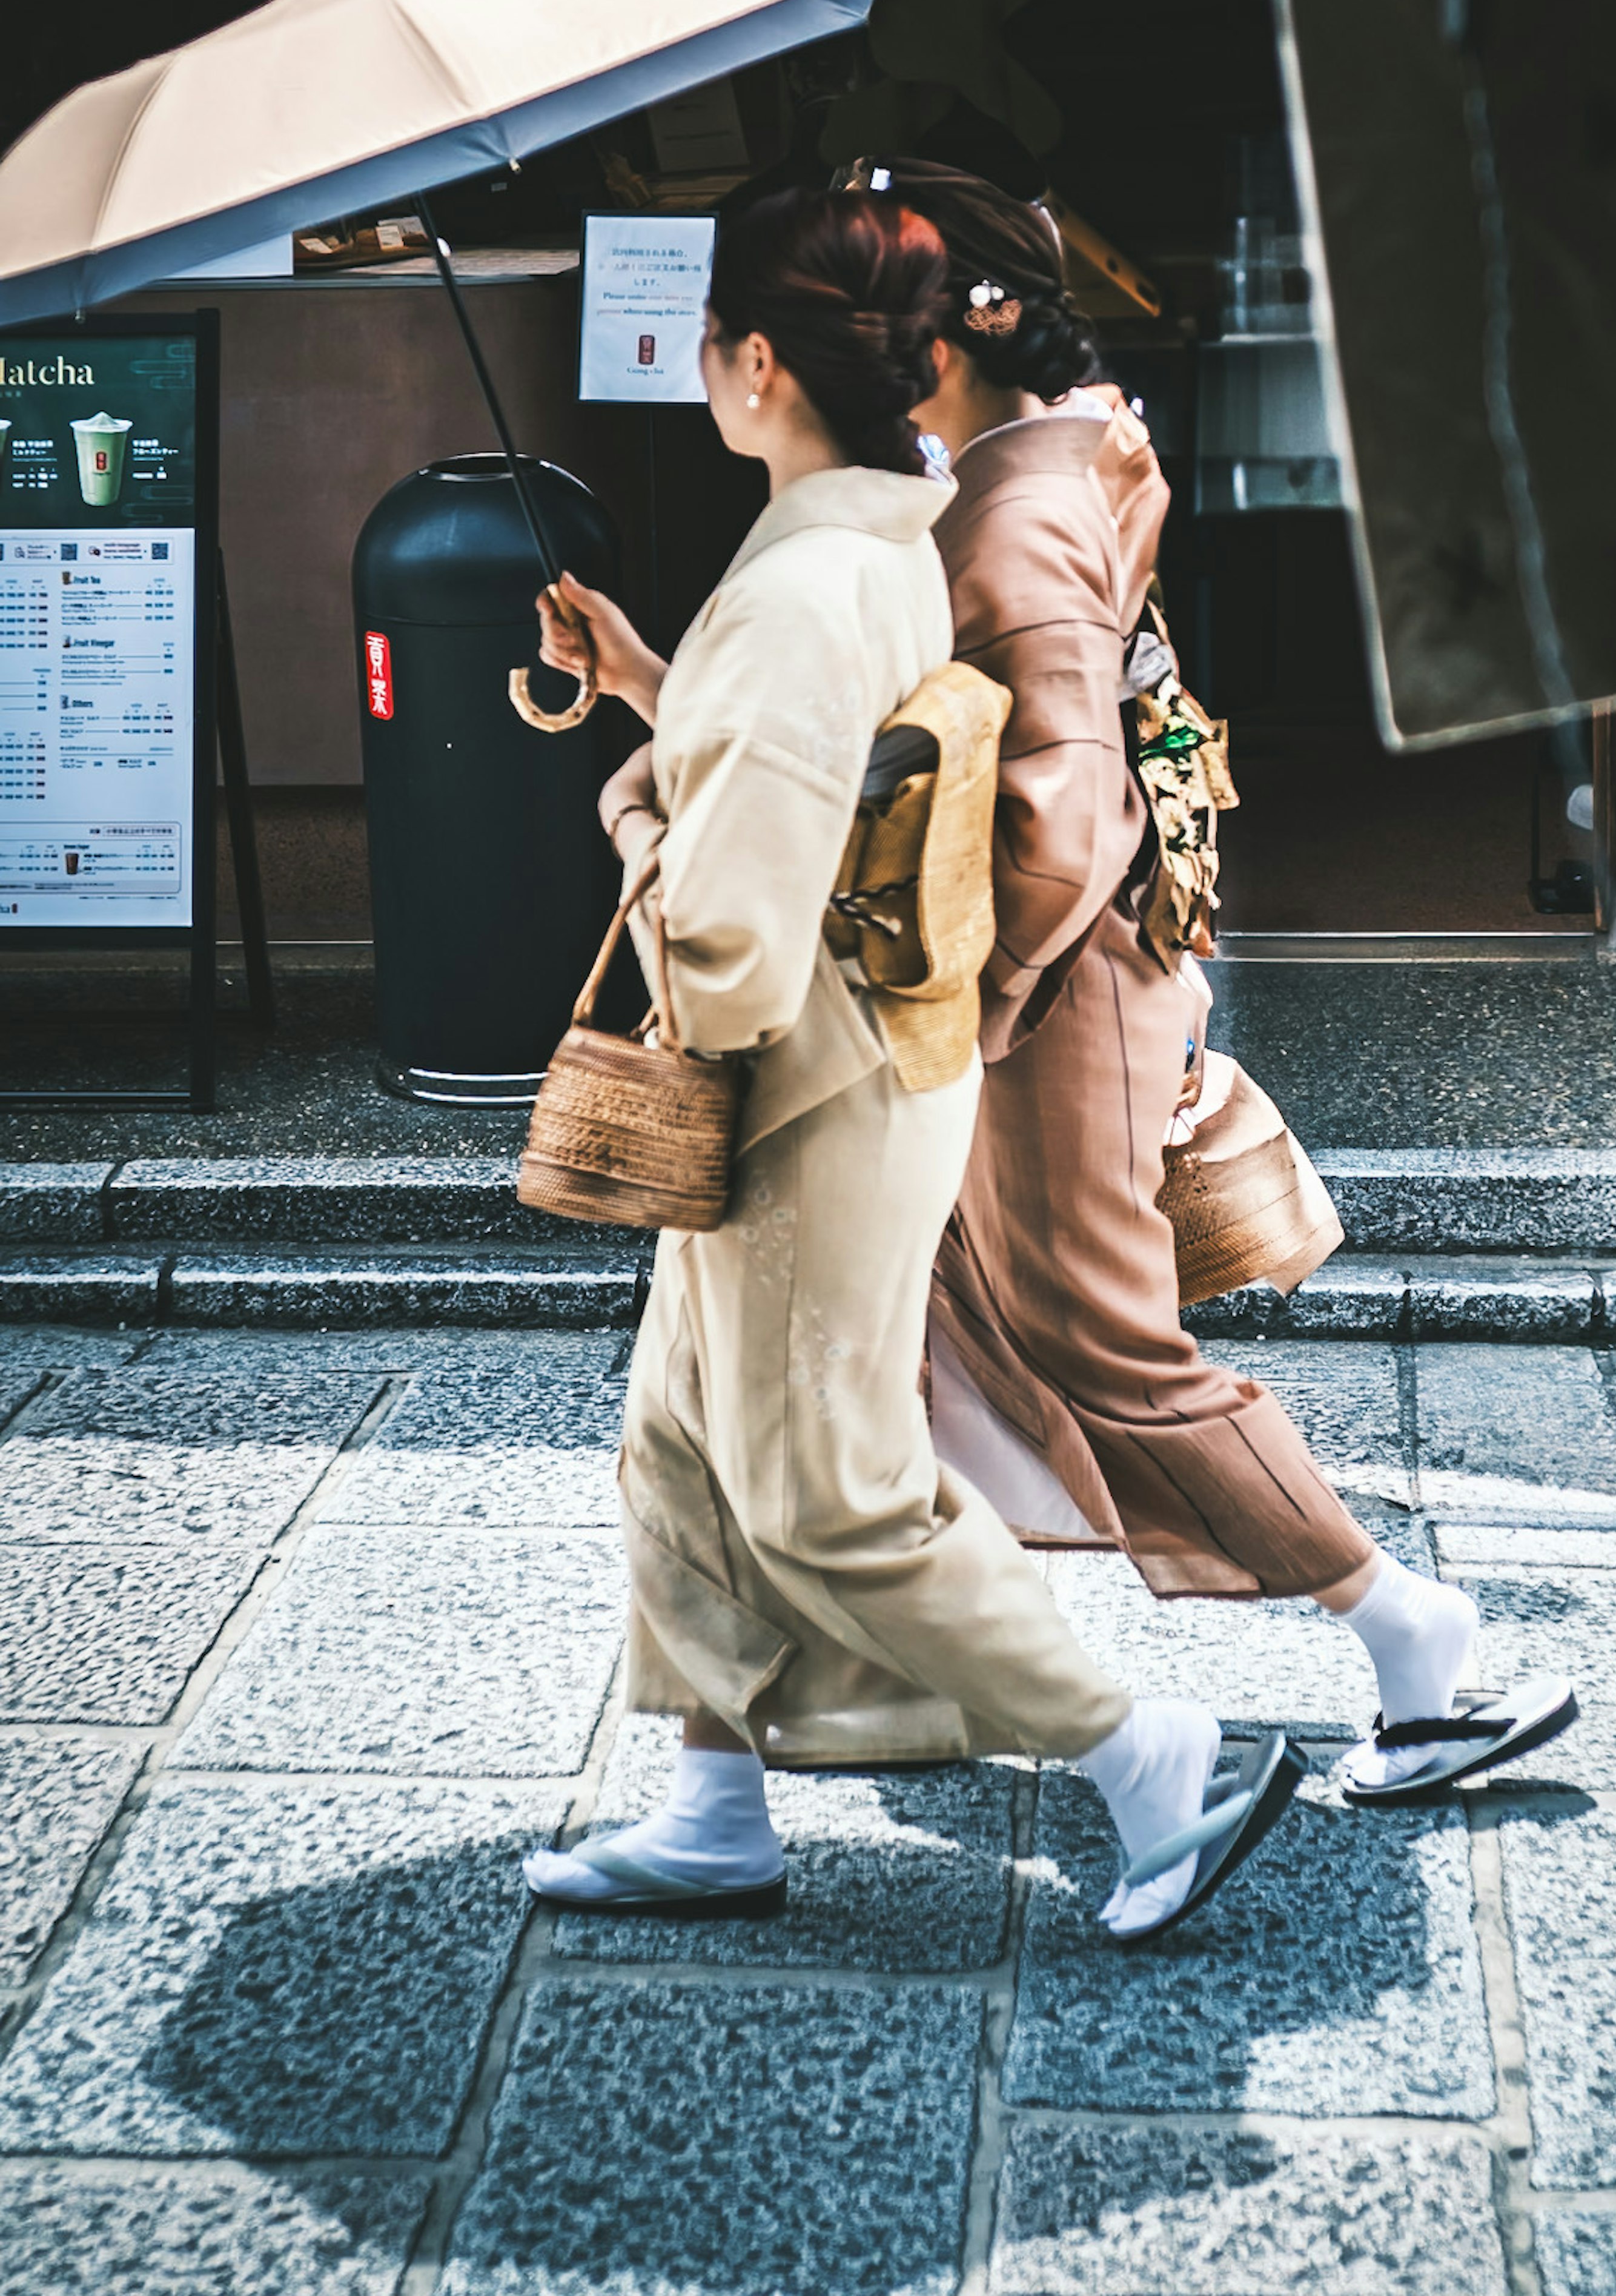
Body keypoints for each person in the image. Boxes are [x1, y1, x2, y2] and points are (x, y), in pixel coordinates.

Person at [519, 188, 1301, 1937]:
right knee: (684, 1441)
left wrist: (641, 805)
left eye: (720, 341)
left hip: (804, 1090)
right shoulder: (883, 533)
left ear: (761, 366)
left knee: (824, 1483)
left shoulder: (797, 589)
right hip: (879, 1056)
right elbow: (833, 784)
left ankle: (1140, 1755)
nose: (707, 366)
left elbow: (722, 961)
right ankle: (715, 1799)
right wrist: (664, 684)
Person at [878, 158, 1578, 1806]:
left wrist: (966, 1010)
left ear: (971, 313)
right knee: (949, 1317)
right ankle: (916, 1657)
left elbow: (1065, 816)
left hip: (1047, 986)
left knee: (1100, 1344)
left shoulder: (1018, 500)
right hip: (1075, 971)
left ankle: (1412, 1641)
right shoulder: (1040, 460)